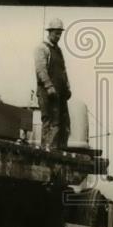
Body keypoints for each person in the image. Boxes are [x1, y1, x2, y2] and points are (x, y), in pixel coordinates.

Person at [34, 17, 72, 149]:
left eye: (60, 33)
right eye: (56, 33)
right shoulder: (42, 48)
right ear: (49, 32)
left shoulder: (59, 51)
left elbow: (63, 71)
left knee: (62, 123)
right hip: (47, 92)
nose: (58, 36)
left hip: (59, 93)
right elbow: (41, 70)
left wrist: (67, 87)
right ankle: (46, 149)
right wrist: (49, 86)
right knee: (49, 121)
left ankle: (58, 150)